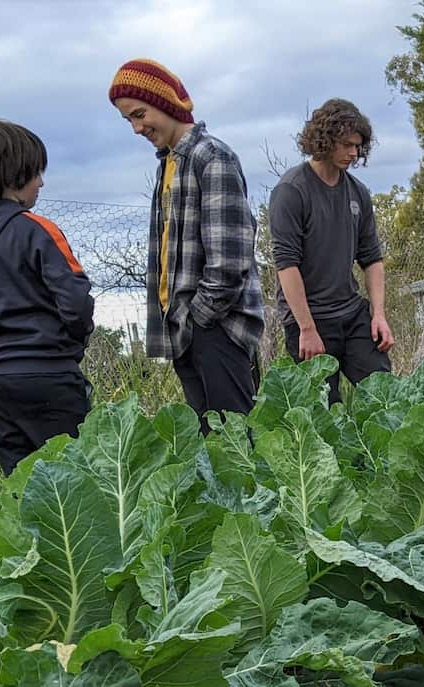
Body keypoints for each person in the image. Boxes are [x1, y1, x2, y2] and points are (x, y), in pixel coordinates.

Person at [109, 59, 264, 428]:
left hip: (217, 327)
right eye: (128, 119)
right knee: (210, 444)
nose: (136, 127)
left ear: (165, 102)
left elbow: (229, 258)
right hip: (187, 329)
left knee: (235, 444)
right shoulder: (170, 163)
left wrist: (200, 319)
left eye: (140, 114)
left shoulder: (211, 157)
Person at [0, 120, 95, 475]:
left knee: (23, 493)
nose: (41, 182)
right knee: (77, 487)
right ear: (15, 175)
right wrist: (67, 351)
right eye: (36, 172)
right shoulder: (37, 229)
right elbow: (77, 303)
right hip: (49, 376)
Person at [269, 98, 392, 403]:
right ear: (324, 140)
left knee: (386, 399)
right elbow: (287, 265)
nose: (354, 153)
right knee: (323, 414)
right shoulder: (291, 191)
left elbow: (372, 259)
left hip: (352, 314)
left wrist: (379, 315)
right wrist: (306, 329)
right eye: (347, 144)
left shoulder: (357, 193)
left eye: (358, 147)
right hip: (309, 321)